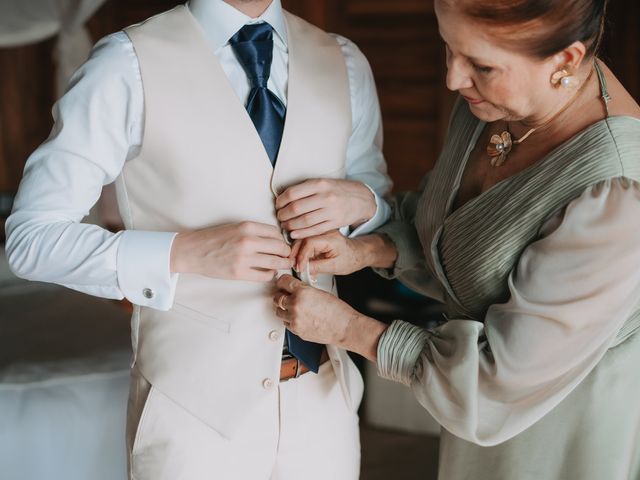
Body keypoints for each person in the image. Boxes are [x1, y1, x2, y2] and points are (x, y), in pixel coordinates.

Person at [5, 0, 392, 478]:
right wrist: (180, 252)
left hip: (325, 404)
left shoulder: (343, 60)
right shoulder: (126, 64)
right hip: (191, 419)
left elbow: (378, 207)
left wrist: (366, 204)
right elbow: (31, 239)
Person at [274, 0, 640, 478]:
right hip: (470, 429)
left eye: (481, 65)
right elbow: (464, 234)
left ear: (565, 61)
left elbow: (492, 388)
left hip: (553, 434)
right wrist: (367, 248)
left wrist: (347, 328)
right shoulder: (498, 99)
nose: (453, 78)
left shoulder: (616, 195)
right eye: (448, 48)